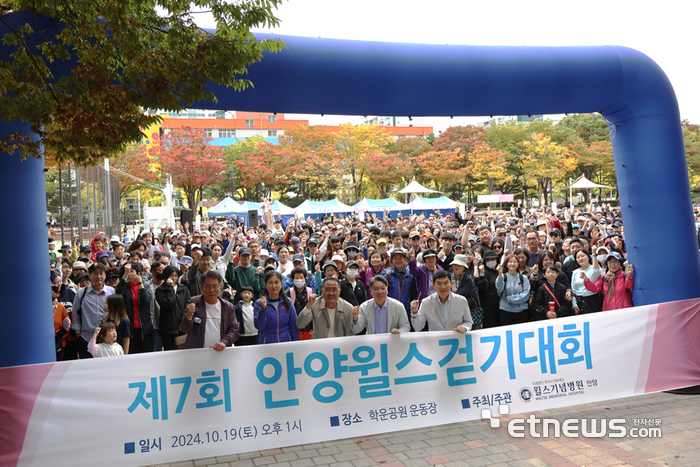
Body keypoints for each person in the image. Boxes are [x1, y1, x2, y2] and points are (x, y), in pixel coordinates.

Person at [180, 270, 239, 350]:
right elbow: (184, 329)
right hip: (196, 352)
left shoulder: (228, 307)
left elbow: (234, 330)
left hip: (220, 352)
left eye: (215, 286)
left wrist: (225, 342)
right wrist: (188, 316)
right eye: (207, 286)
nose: (211, 290)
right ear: (201, 288)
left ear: (220, 287)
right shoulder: (194, 303)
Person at [73, 263, 115, 359]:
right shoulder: (81, 293)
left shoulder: (111, 292)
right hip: (86, 338)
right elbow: (75, 314)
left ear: (105, 275)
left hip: (106, 339)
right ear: (90, 276)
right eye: (95, 274)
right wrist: (78, 334)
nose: (98, 276)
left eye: (101, 273)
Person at [115, 261, 154, 354]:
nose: (129, 274)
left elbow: (147, 300)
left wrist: (140, 283)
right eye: (127, 271)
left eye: (131, 271)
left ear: (138, 273)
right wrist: (125, 274)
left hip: (144, 326)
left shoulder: (145, 286)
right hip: (129, 326)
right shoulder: (124, 287)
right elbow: (118, 294)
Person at [254, 271, 300, 344]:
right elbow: (259, 326)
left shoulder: (288, 302)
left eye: (276, 282)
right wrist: (263, 309)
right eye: (270, 282)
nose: (274, 286)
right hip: (266, 344)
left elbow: (293, 326)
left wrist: (296, 343)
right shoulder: (259, 303)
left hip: (285, 343)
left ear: (281, 284)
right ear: (265, 285)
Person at [156, 265, 191, 350]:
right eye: (171, 275)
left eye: (176, 275)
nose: (174, 278)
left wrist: (183, 322)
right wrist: (170, 288)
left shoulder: (183, 289)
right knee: (169, 350)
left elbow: (188, 305)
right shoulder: (161, 290)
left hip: (181, 326)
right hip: (167, 327)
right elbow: (168, 303)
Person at [495, 254, 531, 325]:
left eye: (515, 262)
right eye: (510, 262)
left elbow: (526, 295)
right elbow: (499, 289)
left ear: (518, 264)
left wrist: (510, 299)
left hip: (521, 311)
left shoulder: (523, 278)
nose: (512, 264)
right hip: (505, 310)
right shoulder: (502, 277)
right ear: (506, 264)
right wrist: (500, 273)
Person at [570, 249, 603, 314]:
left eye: (582, 256)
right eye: (578, 257)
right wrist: (574, 304)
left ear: (588, 256)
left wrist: (594, 255)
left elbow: (596, 271)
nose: (580, 258)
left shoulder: (593, 268)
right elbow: (573, 290)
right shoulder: (575, 272)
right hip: (580, 301)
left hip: (593, 300)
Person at [52, 292, 70, 361]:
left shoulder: (61, 307)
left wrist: (65, 330)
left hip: (59, 344)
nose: (56, 307)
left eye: (56, 303)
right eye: (53, 304)